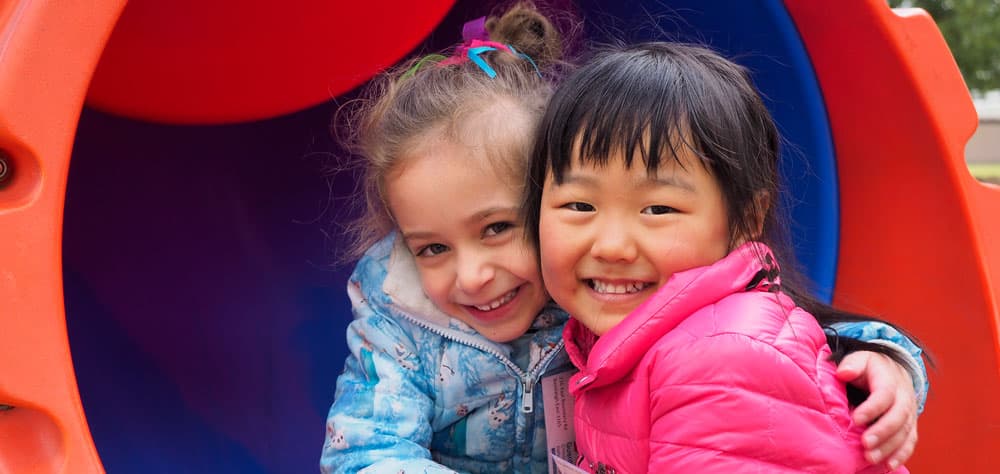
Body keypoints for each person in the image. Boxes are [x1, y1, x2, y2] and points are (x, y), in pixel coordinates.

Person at [321, 4, 926, 473]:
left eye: (499, 229)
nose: (474, 274)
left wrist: (887, 363)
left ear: (543, 205)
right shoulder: (401, 321)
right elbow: (364, 450)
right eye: (432, 248)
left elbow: (783, 335)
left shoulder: (598, 286)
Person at [524, 41, 927, 473]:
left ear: (748, 217)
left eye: (658, 209)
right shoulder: (610, 339)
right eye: (580, 206)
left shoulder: (720, 361)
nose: (611, 246)